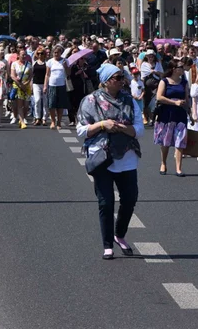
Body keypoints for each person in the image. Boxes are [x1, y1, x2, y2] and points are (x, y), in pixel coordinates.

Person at [77, 63, 143, 260]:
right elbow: (81, 130)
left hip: (127, 156)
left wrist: (123, 128)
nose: (122, 81)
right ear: (106, 81)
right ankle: (107, 244)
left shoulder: (129, 101)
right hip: (102, 157)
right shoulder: (90, 101)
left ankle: (119, 234)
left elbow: (139, 129)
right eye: (117, 77)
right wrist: (102, 124)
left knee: (130, 199)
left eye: (122, 77)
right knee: (106, 202)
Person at [154, 59, 190, 177]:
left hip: (180, 114)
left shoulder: (184, 82)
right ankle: (163, 163)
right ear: (174, 69)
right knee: (166, 141)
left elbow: (187, 99)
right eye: (180, 67)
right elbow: (159, 97)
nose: (182, 69)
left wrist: (191, 113)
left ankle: (178, 168)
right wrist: (174, 103)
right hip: (166, 114)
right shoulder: (164, 81)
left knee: (180, 141)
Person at [45, 45, 70, 130]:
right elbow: (47, 75)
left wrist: (65, 66)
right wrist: (45, 85)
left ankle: (59, 122)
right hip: (52, 85)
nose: (56, 54)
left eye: (58, 52)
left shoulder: (65, 61)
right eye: (54, 52)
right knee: (51, 104)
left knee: (60, 105)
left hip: (61, 85)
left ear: (60, 53)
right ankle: (53, 121)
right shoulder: (50, 62)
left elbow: (68, 73)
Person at [9, 48, 32, 129]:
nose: (24, 56)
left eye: (25, 54)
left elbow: (30, 75)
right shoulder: (14, 64)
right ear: (18, 55)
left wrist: (26, 83)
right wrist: (19, 84)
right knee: (20, 104)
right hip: (18, 86)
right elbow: (12, 75)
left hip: (26, 86)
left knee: (26, 105)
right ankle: (22, 122)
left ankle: (23, 118)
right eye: (22, 54)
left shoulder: (28, 64)